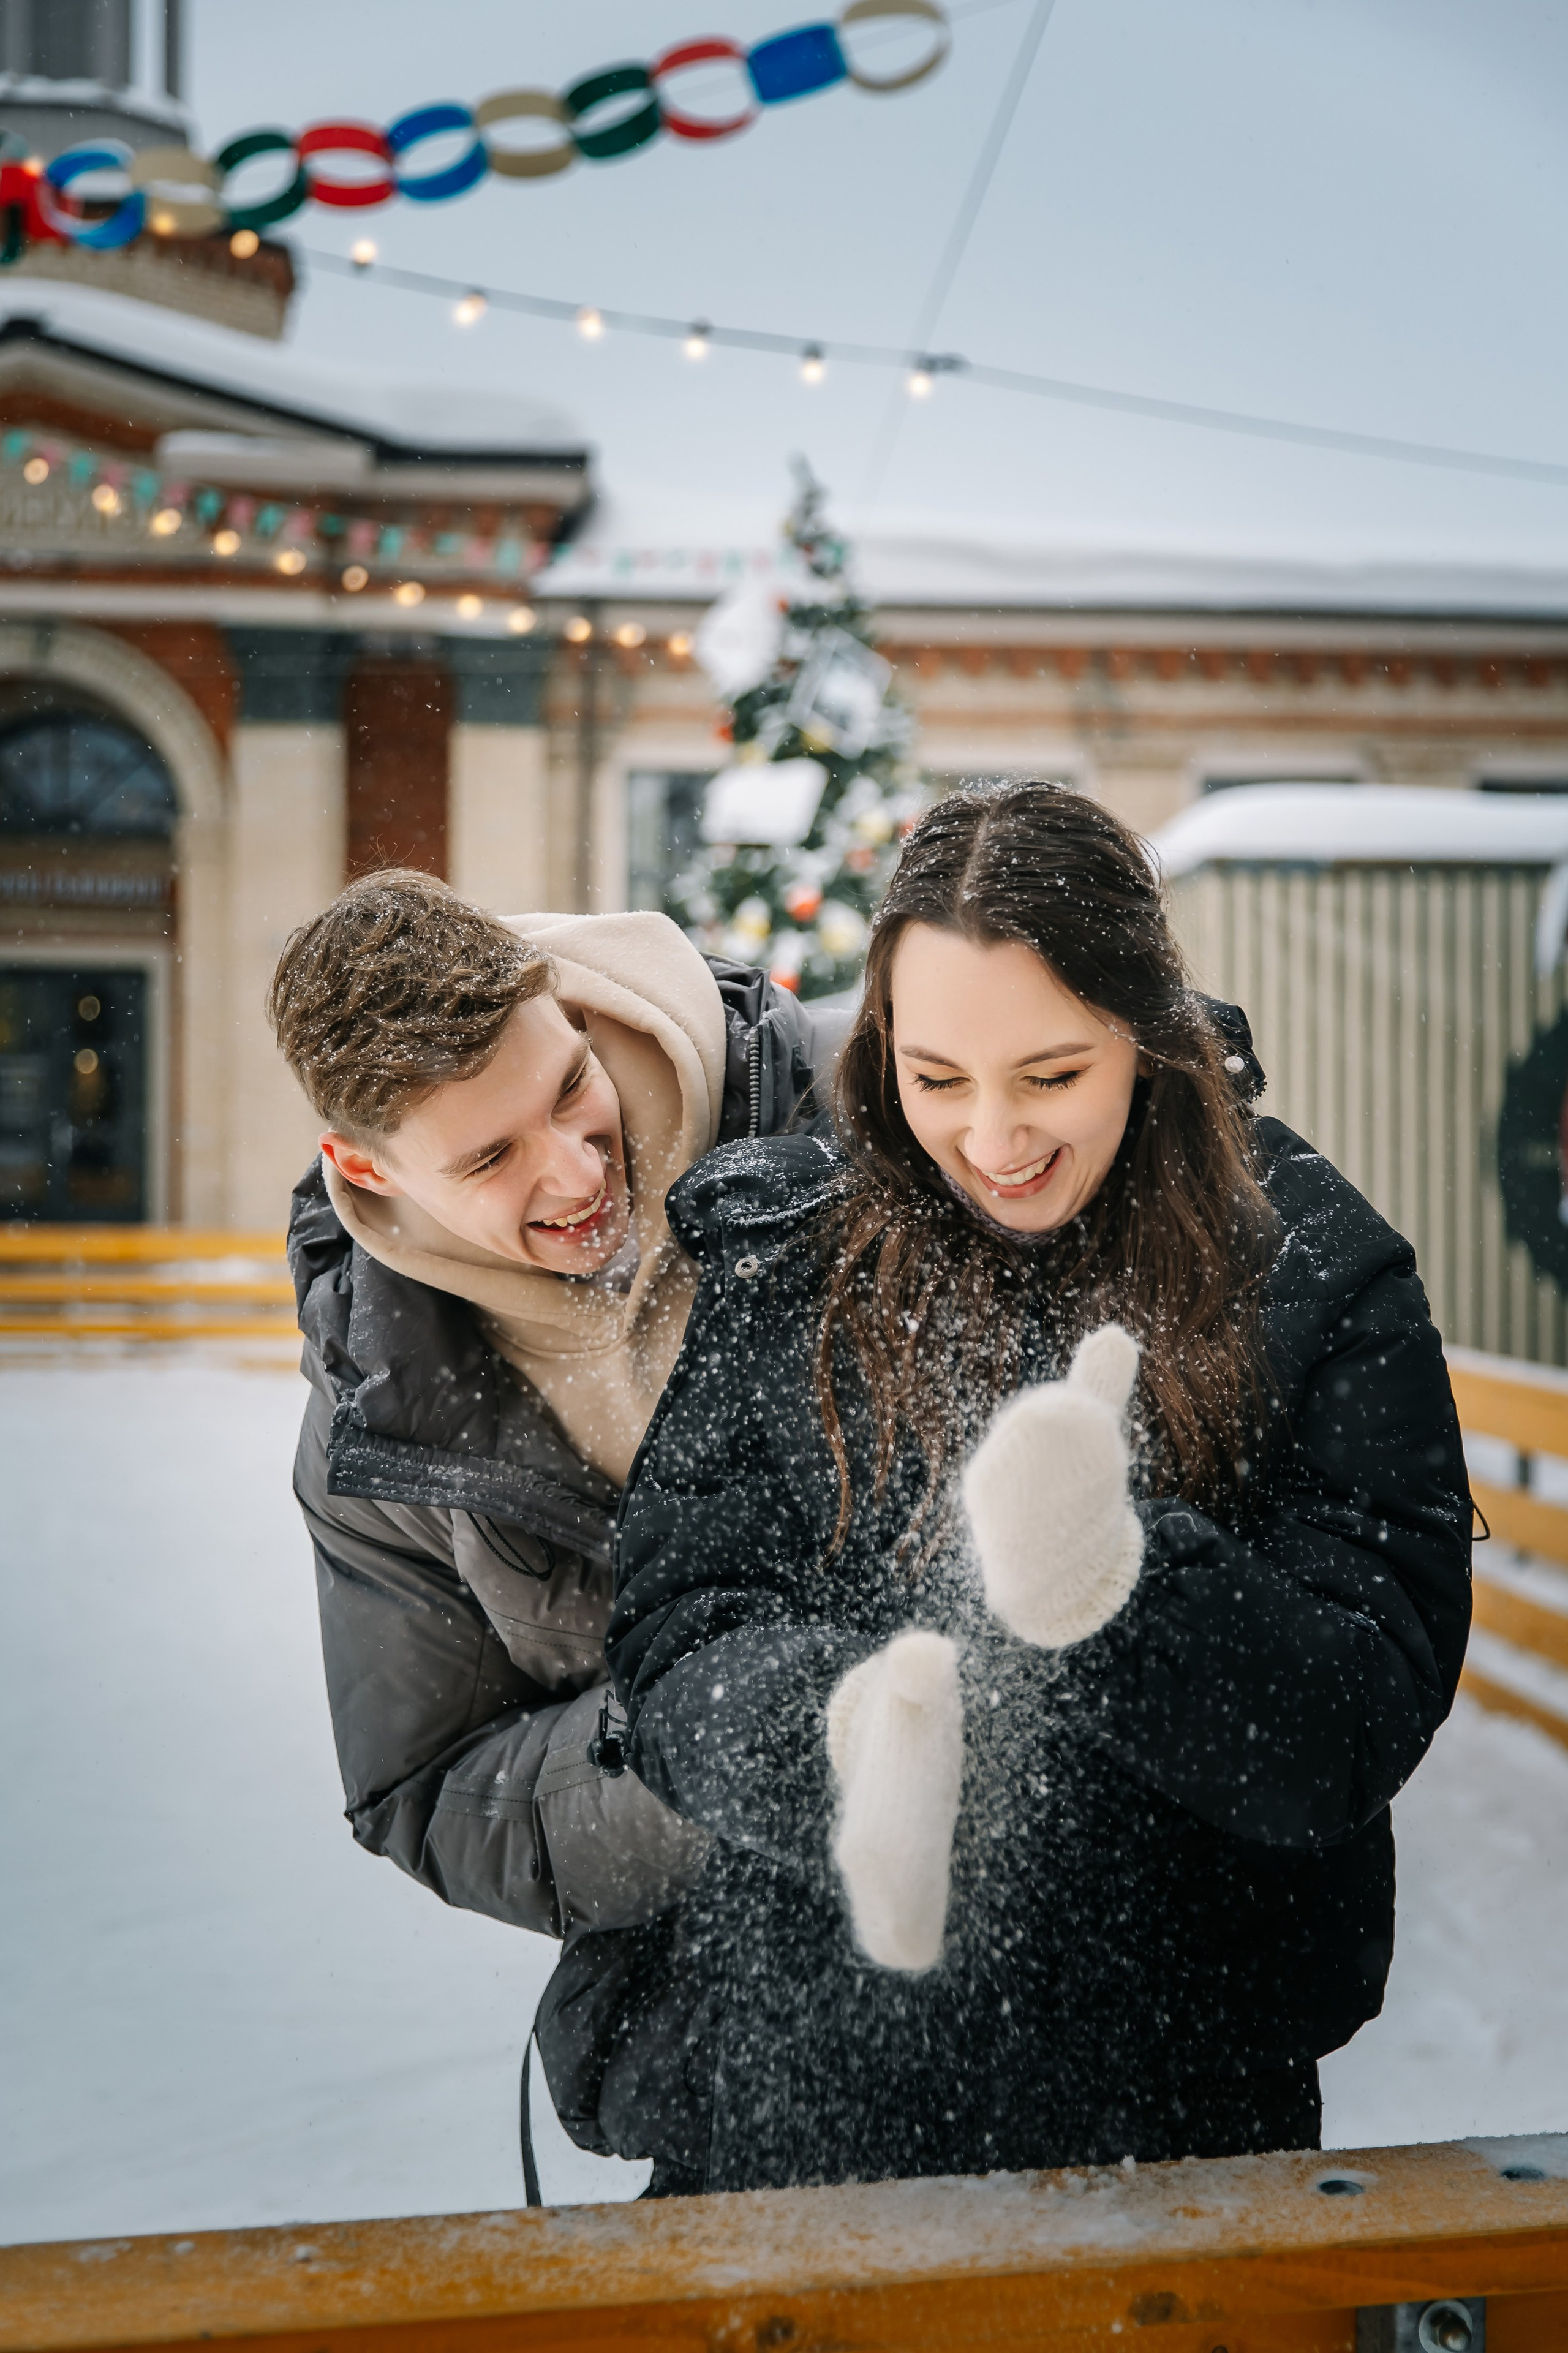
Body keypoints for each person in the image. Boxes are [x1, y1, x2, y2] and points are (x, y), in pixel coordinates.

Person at [606, 780, 1474, 2196]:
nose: (993, 1137)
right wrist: (830, 1734)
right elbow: (668, 1630)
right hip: (788, 2114)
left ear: (1144, 1030)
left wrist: (1121, 1587)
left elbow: (1352, 1720)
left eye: (1050, 1074)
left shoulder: (1311, 1273)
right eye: (935, 1078)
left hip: (1176, 2131)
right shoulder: (786, 1251)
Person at [267, 867, 847, 2167]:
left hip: (1085, 1970)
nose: (577, 1167)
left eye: (569, 1088)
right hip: (736, 2052)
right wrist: (709, 1746)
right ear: (364, 1168)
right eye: (490, 1156)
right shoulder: (381, 1426)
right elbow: (421, 1788)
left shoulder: (838, 1106)